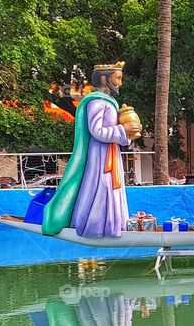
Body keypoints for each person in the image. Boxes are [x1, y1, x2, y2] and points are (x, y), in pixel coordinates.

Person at [42, 62, 141, 238]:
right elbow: (97, 131)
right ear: (105, 78)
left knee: (110, 187)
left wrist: (128, 133)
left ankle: (112, 226)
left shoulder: (109, 102)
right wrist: (122, 130)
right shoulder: (96, 102)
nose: (120, 83)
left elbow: (114, 131)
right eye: (117, 78)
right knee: (101, 186)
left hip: (110, 154)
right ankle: (95, 228)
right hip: (99, 158)